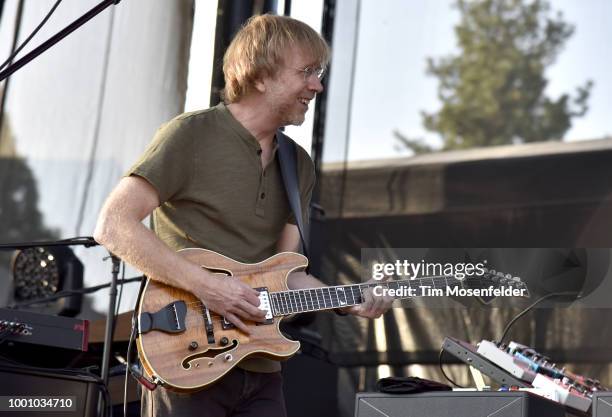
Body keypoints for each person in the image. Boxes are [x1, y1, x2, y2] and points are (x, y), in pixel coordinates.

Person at [94, 14, 393, 417]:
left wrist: (349, 300)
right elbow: (113, 225)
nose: (317, 86)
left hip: (261, 365)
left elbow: (289, 275)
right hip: (186, 359)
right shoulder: (190, 135)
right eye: (307, 72)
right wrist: (209, 287)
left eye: (318, 74)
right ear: (261, 76)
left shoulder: (297, 164)